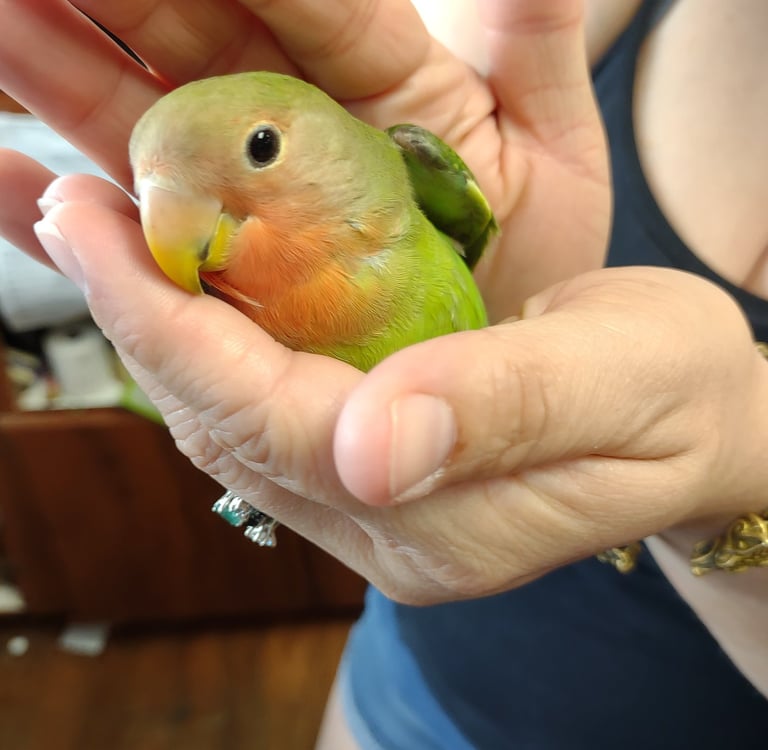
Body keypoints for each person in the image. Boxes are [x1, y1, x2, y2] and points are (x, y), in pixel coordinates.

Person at [0, 1, 766, 747]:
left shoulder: (422, 169)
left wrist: (719, 470)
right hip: (403, 675)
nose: (175, 212)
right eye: (154, 187)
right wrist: (261, 487)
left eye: (262, 148)